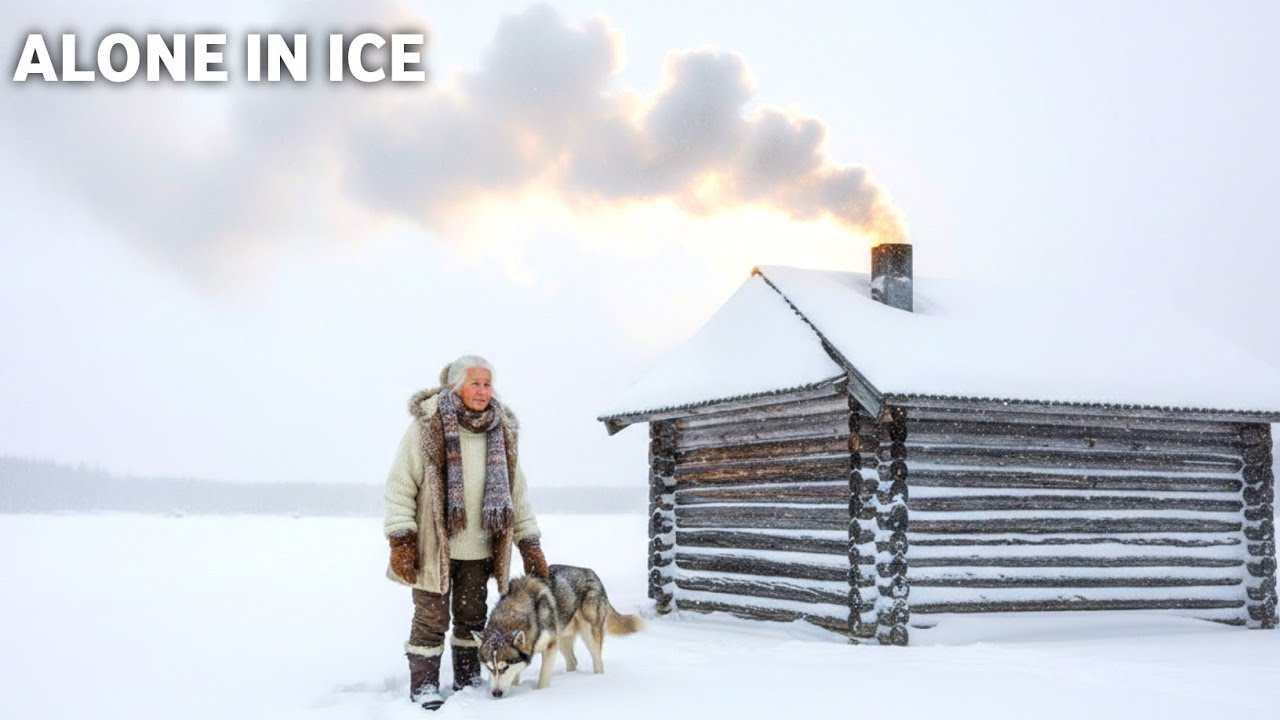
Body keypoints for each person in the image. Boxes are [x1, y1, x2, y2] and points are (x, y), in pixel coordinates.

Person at [382, 355, 548, 711]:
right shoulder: (428, 426)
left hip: (479, 549)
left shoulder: (501, 429)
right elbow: (399, 485)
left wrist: (529, 543)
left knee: (472, 618)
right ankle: (425, 686)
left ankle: (468, 680)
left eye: (487, 384)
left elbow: (516, 495)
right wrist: (401, 539)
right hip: (432, 549)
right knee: (430, 619)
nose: (482, 391)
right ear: (455, 386)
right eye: (475, 383)